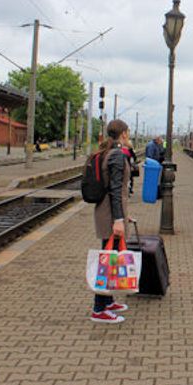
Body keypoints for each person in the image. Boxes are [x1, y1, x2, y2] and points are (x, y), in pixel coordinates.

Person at [90, 119, 132, 324]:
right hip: (109, 215)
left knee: (111, 258)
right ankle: (99, 309)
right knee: (107, 261)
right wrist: (118, 219)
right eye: (128, 133)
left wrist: (123, 216)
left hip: (109, 212)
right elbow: (115, 189)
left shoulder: (108, 152)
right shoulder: (116, 155)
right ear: (123, 134)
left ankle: (107, 302)